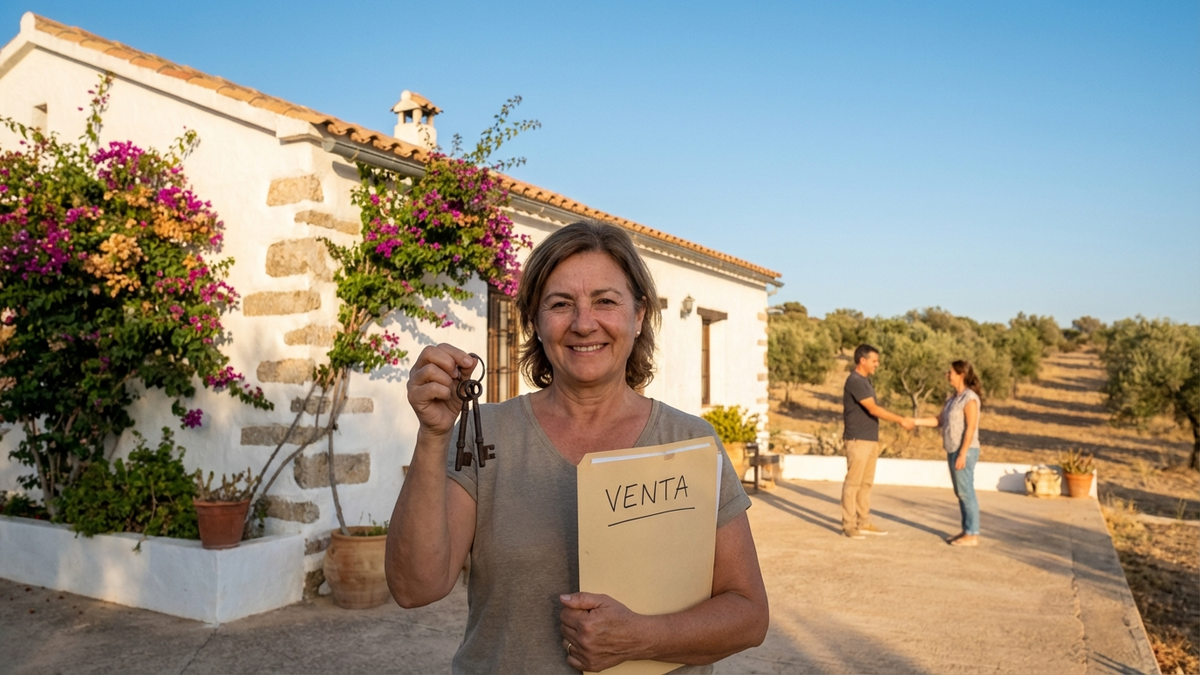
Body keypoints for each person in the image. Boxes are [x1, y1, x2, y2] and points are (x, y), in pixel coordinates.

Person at [385, 221, 769, 674]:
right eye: (561, 304)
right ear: (535, 321)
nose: (584, 323)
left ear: (639, 315)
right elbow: (415, 588)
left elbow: (748, 615)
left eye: (606, 301)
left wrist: (638, 638)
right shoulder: (484, 433)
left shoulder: (690, 443)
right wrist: (432, 436)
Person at [841, 344, 914, 539]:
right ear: (862, 360)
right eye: (874, 360)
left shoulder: (865, 382)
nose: (877, 364)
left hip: (870, 440)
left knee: (866, 484)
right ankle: (849, 525)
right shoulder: (854, 381)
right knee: (853, 483)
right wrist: (901, 420)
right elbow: (873, 409)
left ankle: (863, 521)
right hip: (858, 440)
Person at [915, 360, 983, 546]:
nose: (947, 375)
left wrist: (962, 453)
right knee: (960, 491)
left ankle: (972, 533)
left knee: (965, 491)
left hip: (965, 451)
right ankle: (967, 530)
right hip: (953, 449)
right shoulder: (953, 399)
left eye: (950, 372)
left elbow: (970, 428)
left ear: (961, 374)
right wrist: (915, 422)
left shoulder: (970, 398)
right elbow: (939, 420)